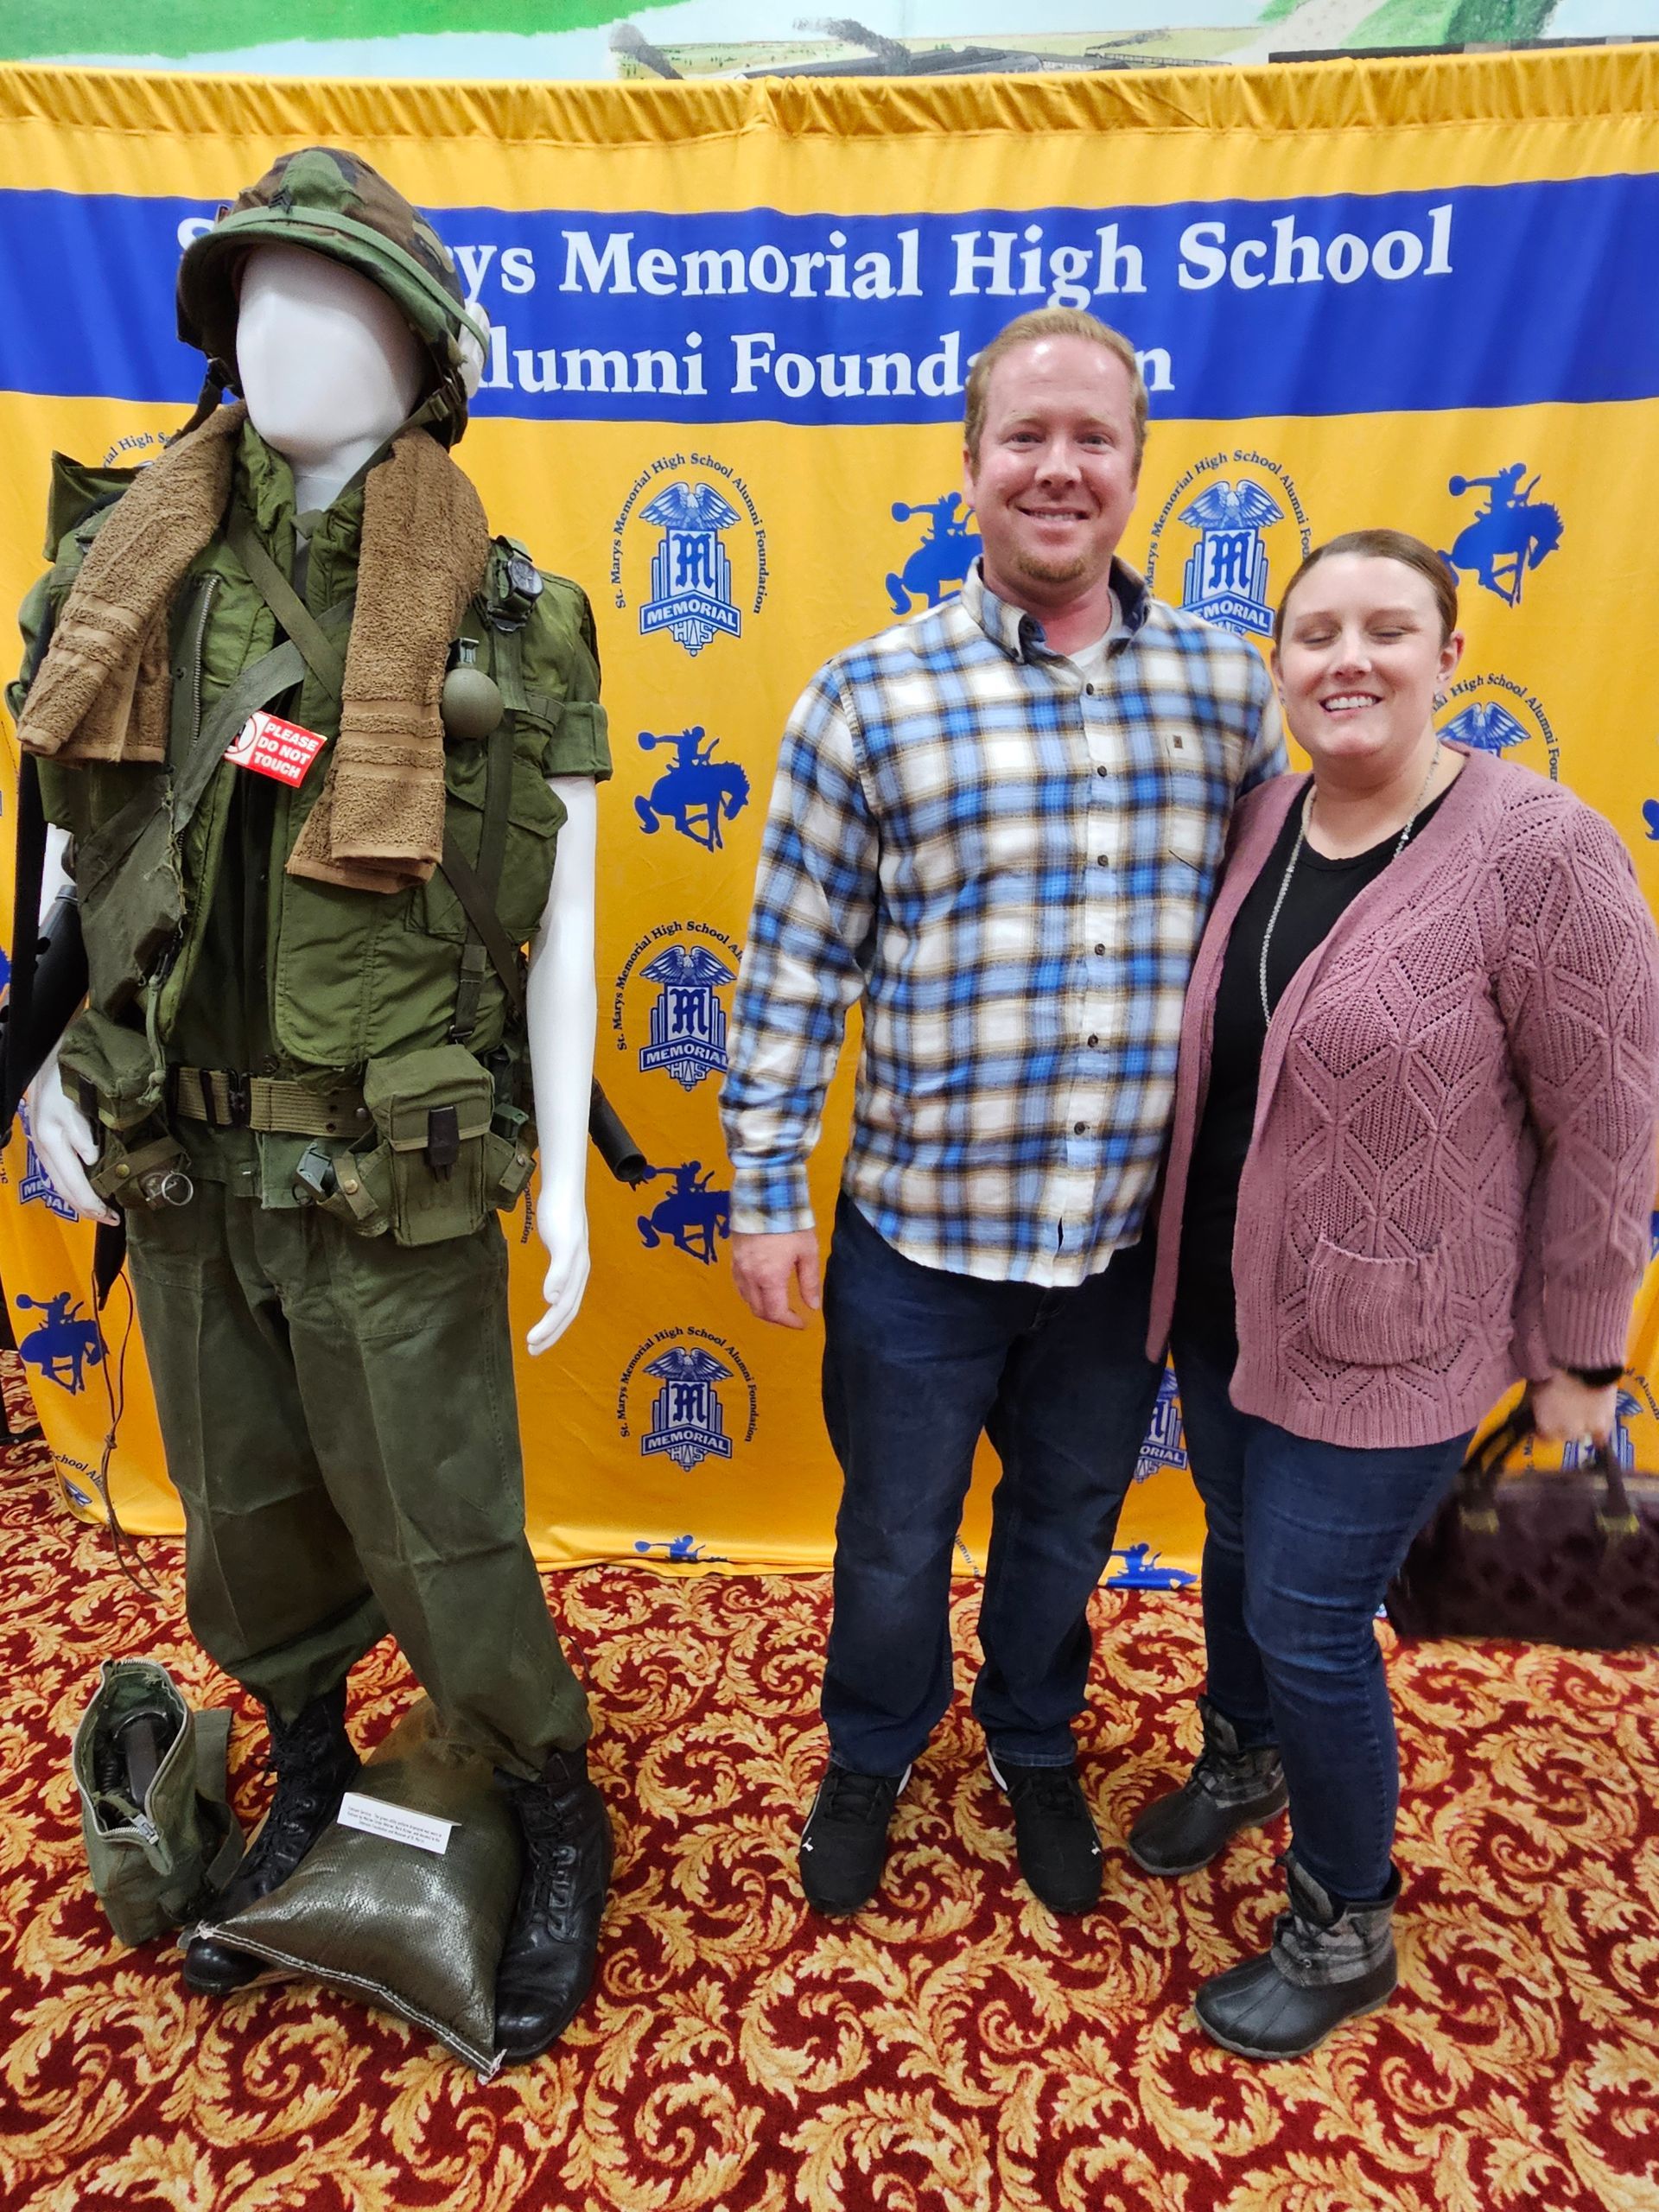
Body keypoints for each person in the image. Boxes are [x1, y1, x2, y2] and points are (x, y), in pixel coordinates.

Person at [8, 150, 613, 2060]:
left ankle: (552, 1800)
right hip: (178, 1147)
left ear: (423, 360)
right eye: (254, 296)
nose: (281, 332)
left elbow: (567, 922)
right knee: (247, 1511)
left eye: (332, 299)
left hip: (392, 1162)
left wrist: (577, 1186)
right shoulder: (124, 580)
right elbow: (72, 861)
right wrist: (45, 1083)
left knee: (443, 1521)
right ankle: (304, 1752)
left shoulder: (511, 617)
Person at [720, 307, 1284, 1919]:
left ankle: (1035, 1741)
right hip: (919, 1242)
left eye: (1090, 438)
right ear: (968, 471)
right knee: (894, 1545)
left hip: (1123, 1251)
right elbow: (794, 969)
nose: (1058, 466)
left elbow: (1285, 951)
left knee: (1065, 1534)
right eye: (1023, 437)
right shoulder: (866, 699)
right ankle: (875, 1744)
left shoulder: (1228, 697)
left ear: (1134, 469)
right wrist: (764, 1190)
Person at [1136, 528, 1659, 2058]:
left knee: (1310, 1623)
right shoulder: (1262, 820)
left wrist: (1584, 1352)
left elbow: (1613, 1118)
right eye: (1313, 634)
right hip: (1231, 1302)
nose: (1346, 660)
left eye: (1386, 630)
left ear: (1449, 655)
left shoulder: (1541, 850)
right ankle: (1243, 1762)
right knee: (1235, 1551)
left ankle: (1344, 1915)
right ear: (1279, 664)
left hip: (1402, 1333)